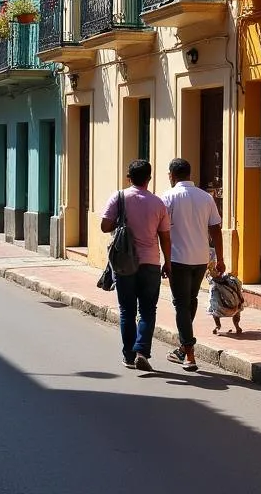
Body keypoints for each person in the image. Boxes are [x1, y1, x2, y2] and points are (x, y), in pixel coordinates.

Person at [101, 159, 172, 371]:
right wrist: (168, 263)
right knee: (148, 309)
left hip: (124, 264)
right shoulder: (158, 203)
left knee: (127, 311)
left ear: (129, 178)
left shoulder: (119, 197)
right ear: (149, 178)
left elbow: (104, 226)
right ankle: (142, 350)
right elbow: (165, 237)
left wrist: (121, 221)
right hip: (151, 262)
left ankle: (129, 356)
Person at [160, 157, 224, 369]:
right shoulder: (205, 197)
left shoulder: (168, 197)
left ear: (172, 175)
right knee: (190, 300)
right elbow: (216, 229)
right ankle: (183, 347)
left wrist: (165, 260)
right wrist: (220, 259)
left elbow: (163, 233)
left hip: (178, 259)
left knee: (181, 304)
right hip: (200, 259)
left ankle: (188, 353)